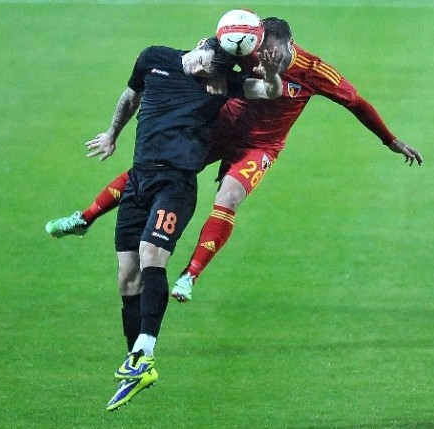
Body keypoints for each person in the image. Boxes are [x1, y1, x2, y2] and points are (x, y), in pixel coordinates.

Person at [45, 17, 423, 301]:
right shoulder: (244, 46)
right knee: (160, 166)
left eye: (273, 55)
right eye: (262, 54)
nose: (266, 60)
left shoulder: (313, 71)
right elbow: (204, 53)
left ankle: (190, 275)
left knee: (228, 197)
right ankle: (85, 218)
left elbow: (356, 103)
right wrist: (211, 74)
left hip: (260, 148)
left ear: (290, 46)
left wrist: (389, 140)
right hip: (221, 126)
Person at [87, 36, 283, 411]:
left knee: (151, 254)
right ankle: (136, 364)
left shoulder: (223, 81)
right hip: (139, 180)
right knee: (127, 277)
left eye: (211, 71)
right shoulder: (153, 58)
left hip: (175, 185)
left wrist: (273, 73)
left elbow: (268, 92)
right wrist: (112, 133)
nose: (203, 73)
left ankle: (146, 350)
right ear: (198, 45)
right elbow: (130, 96)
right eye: (204, 64)